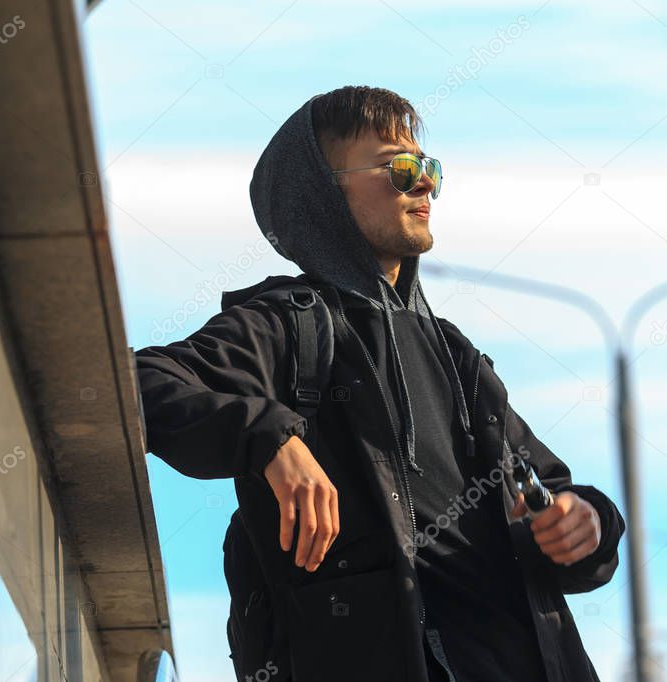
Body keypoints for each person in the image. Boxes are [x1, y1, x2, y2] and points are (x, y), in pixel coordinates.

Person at [135, 86, 625, 682]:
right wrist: (269, 437)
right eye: (401, 167)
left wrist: (586, 523)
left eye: (429, 169)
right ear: (322, 190)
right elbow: (143, 381)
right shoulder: (287, 326)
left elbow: (553, 492)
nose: (424, 185)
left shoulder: (459, 358)